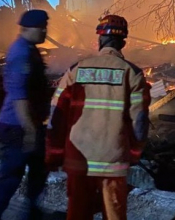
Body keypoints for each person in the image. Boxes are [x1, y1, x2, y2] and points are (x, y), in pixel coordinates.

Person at [46, 15, 151, 220]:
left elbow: (55, 116)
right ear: (123, 42)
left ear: (100, 39)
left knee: (77, 214)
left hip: (78, 160)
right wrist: (134, 154)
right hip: (113, 162)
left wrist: (54, 154)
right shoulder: (133, 73)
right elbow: (140, 123)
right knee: (113, 215)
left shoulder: (75, 71)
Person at [0, 10, 51, 220]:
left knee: (38, 168)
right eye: (41, 27)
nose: (45, 31)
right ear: (27, 29)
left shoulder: (30, 49)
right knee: (12, 172)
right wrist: (30, 130)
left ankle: (31, 209)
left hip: (28, 123)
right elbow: (19, 95)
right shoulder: (21, 54)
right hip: (17, 125)